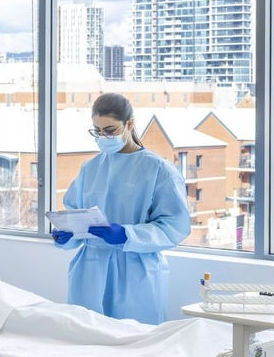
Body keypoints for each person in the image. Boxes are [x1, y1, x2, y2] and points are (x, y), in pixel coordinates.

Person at [50, 92, 191, 324]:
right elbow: (74, 211)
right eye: (97, 131)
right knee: (85, 341)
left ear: (130, 124)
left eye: (110, 130)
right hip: (90, 270)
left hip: (136, 271)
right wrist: (67, 234)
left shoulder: (158, 170)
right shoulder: (91, 168)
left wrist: (127, 234)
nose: (103, 137)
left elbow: (174, 226)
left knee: (134, 344)